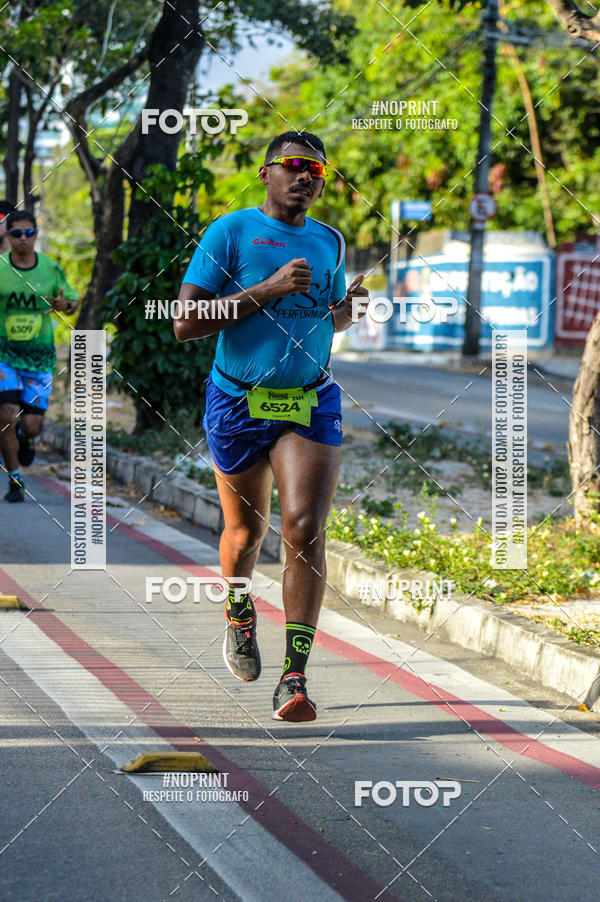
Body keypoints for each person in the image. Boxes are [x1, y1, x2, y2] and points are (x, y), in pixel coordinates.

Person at [175, 131, 368, 722]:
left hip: (310, 402)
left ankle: (295, 677)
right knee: (244, 536)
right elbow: (186, 321)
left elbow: (323, 317)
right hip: (237, 401)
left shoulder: (330, 239)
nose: (304, 175)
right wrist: (266, 288)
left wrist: (346, 313)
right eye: (292, 165)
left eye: (316, 168)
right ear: (266, 172)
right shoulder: (230, 232)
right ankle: (238, 612)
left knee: (304, 527)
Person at [0, 210, 78, 502]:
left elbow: (72, 299)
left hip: (39, 357)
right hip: (4, 354)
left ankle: (24, 438)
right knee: (6, 416)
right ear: (8, 235)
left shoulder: (50, 268)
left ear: (35, 235)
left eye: (28, 233)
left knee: (32, 425)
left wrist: (65, 304)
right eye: (16, 233)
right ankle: (15, 479)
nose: (23, 239)